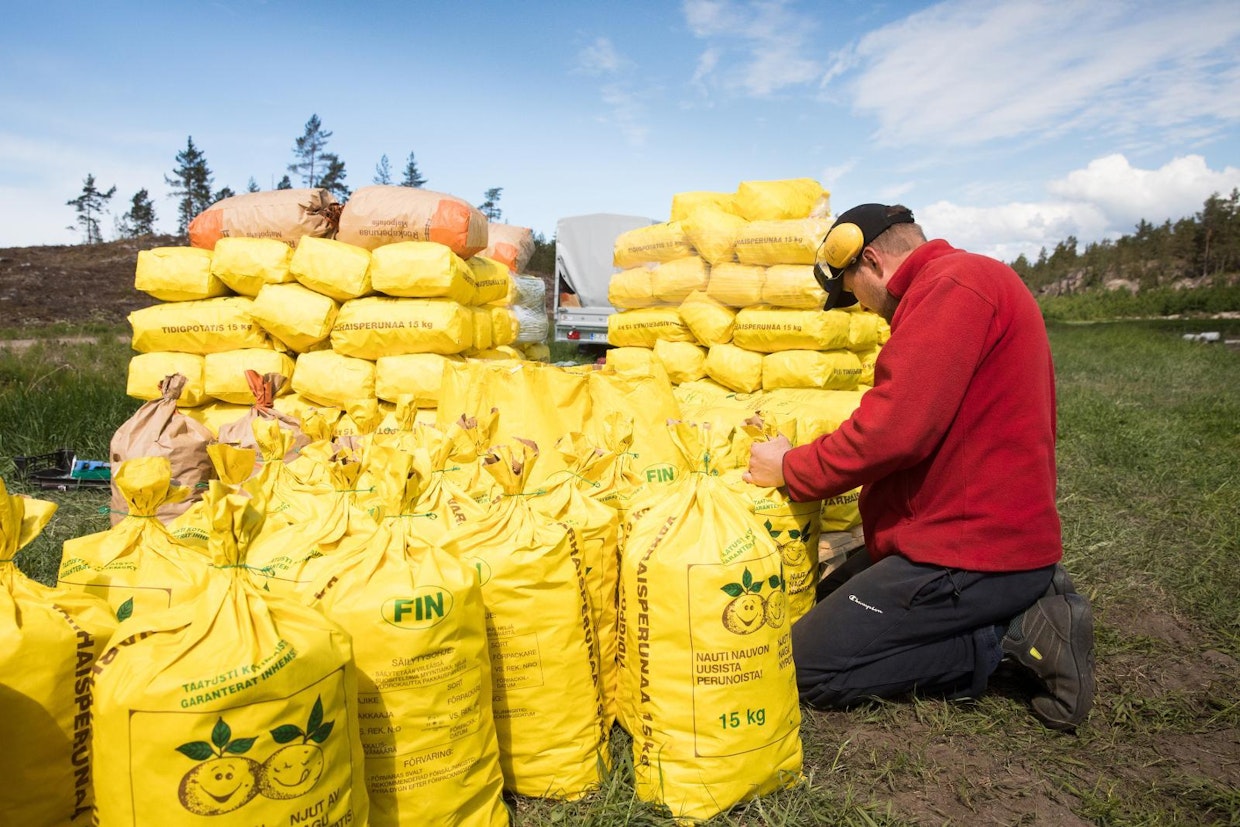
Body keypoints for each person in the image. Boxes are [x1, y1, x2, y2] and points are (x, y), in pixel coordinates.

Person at [743, 203, 1095, 730]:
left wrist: (791, 468)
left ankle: (1010, 636)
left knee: (799, 668)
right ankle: (1022, 597)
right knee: (822, 598)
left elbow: (893, 430)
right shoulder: (963, 282)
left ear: (870, 260)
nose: (862, 309)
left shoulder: (952, 286)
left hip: (969, 552)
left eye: (852, 292)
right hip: (959, 539)